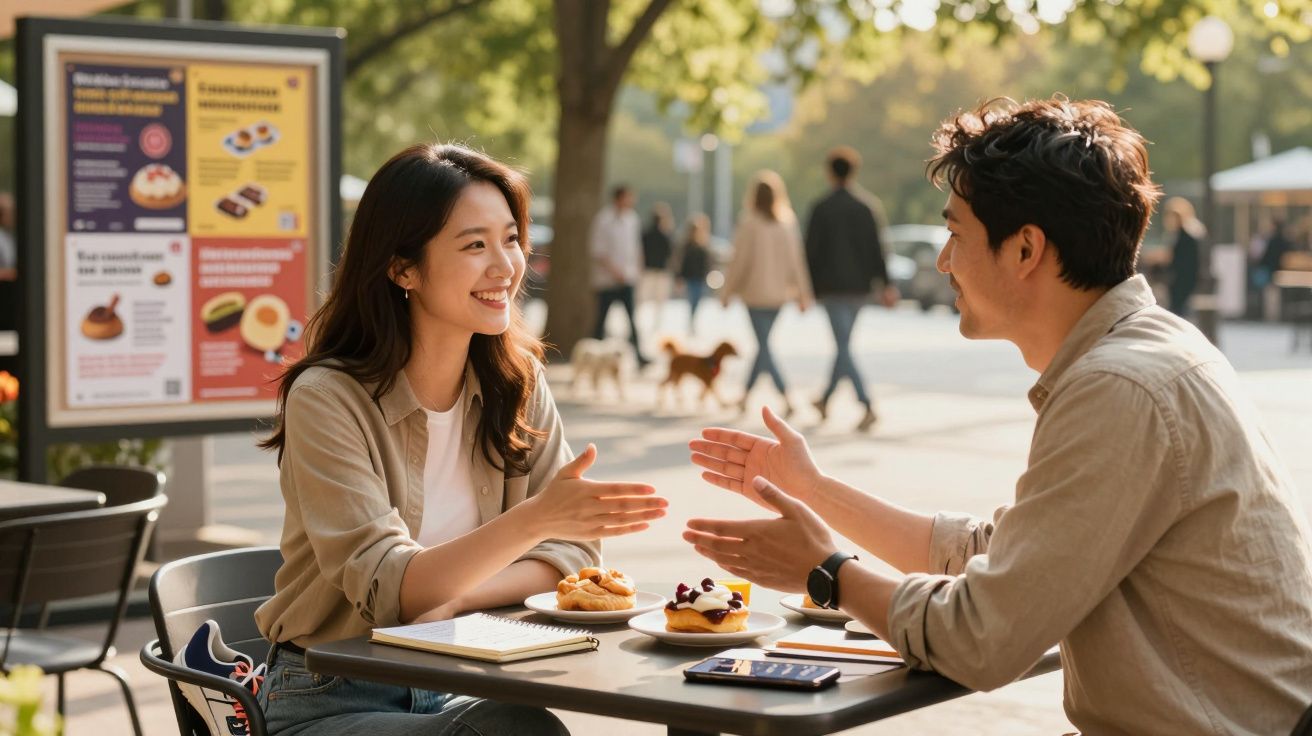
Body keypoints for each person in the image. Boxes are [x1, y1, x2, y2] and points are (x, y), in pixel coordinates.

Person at [683, 98, 1312, 734]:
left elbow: (983, 637)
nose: (942, 262)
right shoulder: (1148, 348)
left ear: (1025, 249)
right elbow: (1008, 556)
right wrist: (813, 491)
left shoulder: (1119, 387)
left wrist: (827, 571)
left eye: (955, 233)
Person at [255, 144, 668, 735]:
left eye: (510, 239)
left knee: (520, 725)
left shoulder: (516, 382)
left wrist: (461, 601)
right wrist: (534, 522)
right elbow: (395, 591)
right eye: (475, 245)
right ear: (403, 269)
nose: (505, 266)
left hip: (463, 679)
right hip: (332, 697)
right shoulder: (327, 397)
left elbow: (575, 558)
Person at [804, 146, 893, 432]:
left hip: (830, 289)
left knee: (843, 346)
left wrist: (808, 288)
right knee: (843, 345)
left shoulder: (821, 208)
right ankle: (826, 400)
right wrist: (886, 283)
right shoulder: (867, 206)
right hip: (859, 289)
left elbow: (810, 252)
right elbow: (877, 250)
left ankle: (866, 404)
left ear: (830, 172)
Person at [720, 171, 813, 417]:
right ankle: (750, 395)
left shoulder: (749, 222)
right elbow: (797, 262)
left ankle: (781, 396)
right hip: (779, 296)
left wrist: (726, 292)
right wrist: (803, 294)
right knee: (764, 345)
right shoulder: (786, 222)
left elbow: (738, 261)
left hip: (754, 294)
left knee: (763, 346)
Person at [590, 184, 650, 367]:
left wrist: (638, 270)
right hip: (607, 280)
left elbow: (635, 247)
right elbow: (598, 251)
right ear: (618, 198)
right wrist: (614, 272)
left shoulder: (632, 219)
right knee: (601, 320)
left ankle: (638, 354)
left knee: (632, 319)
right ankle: (595, 357)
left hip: (628, 278)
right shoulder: (603, 220)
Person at [1162, 196, 1204, 317]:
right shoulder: (1185, 234)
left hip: (1181, 279)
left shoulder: (1185, 236)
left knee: (1178, 310)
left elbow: (1182, 259)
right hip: (1182, 278)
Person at [638, 201, 675, 334]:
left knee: (643, 299)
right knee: (658, 302)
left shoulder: (645, 234)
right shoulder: (665, 235)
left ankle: (642, 324)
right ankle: (655, 326)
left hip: (649, 270)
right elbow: (671, 255)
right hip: (659, 271)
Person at [673, 213, 712, 335]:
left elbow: (707, 263)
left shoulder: (704, 245)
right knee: (692, 300)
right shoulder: (686, 246)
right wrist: (679, 277)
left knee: (697, 301)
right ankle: (691, 322)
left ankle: (693, 322)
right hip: (690, 278)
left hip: (700, 278)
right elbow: (680, 263)